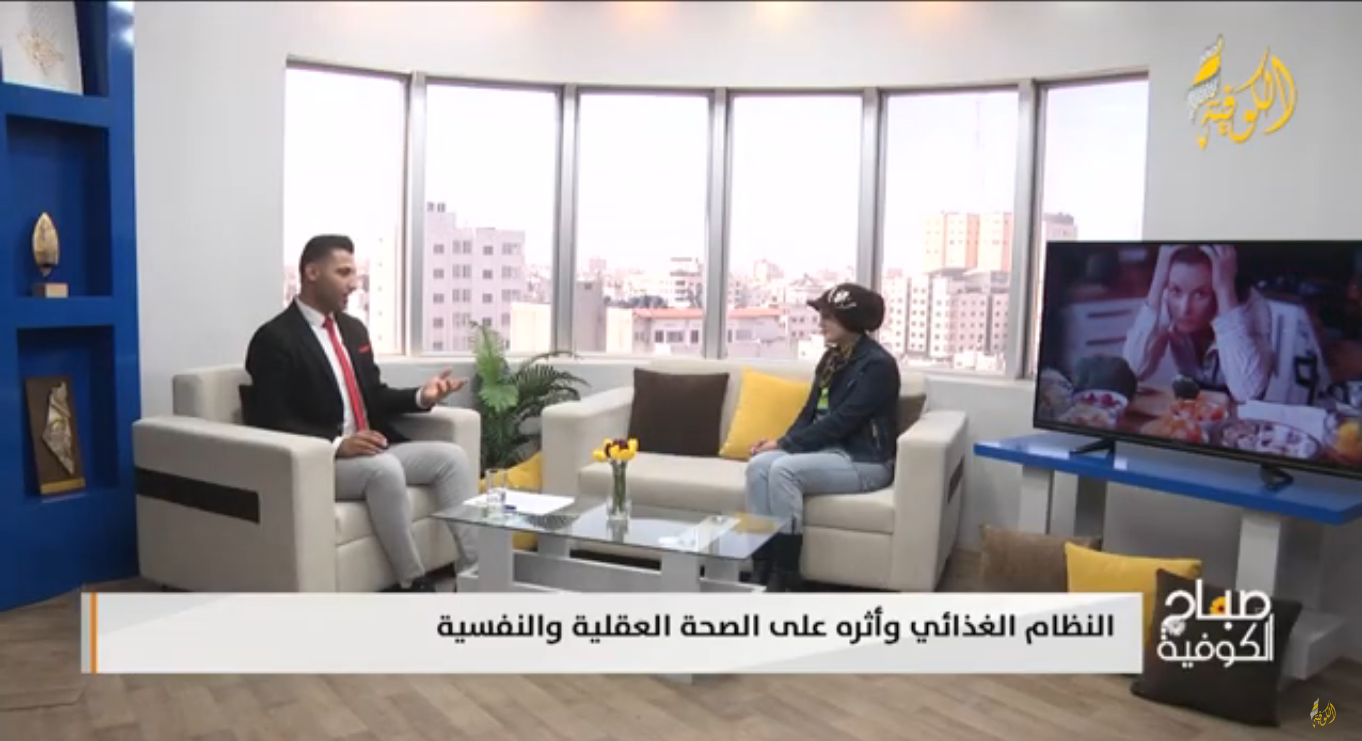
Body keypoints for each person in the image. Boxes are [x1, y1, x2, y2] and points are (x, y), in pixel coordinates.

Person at [245, 235, 476, 592]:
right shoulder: (274, 339)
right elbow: (270, 419)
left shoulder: (353, 330)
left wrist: (421, 396)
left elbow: (374, 395)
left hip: (374, 446)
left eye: (355, 273)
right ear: (311, 272)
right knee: (384, 469)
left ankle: (478, 575)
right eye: (344, 273)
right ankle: (412, 582)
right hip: (321, 461)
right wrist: (337, 444)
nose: (354, 283)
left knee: (452, 458)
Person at [743, 283, 899, 592]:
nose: (820, 323)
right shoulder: (831, 359)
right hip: (828, 452)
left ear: (851, 320)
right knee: (759, 466)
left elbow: (843, 421)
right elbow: (809, 412)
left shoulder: (878, 366)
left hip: (864, 460)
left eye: (828, 317)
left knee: (784, 471)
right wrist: (780, 442)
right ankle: (761, 566)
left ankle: (786, 575)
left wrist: (786, 446)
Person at [1123, 244, 1274, 403]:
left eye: (1200, 294)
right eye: (1176, 290)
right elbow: (1133, 370)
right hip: (1190, 406)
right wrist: (1158, 280)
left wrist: (1225, 291)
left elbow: (1248, 394)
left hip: (1237, 414)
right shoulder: (1168, 298)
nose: (1184, 309)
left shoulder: (1251, 308)